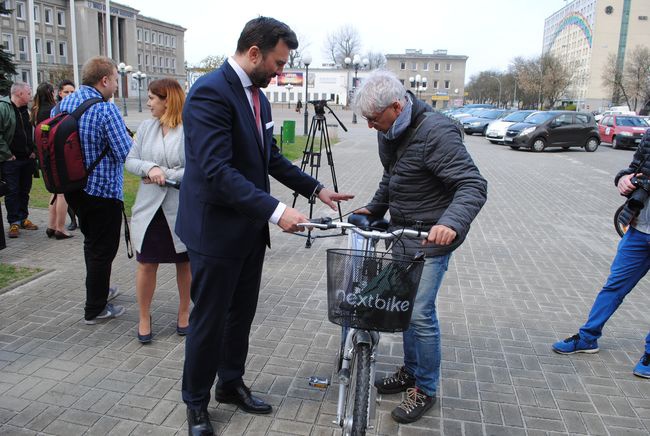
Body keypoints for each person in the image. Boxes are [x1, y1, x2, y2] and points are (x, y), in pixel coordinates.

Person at [177, 16, 353, 436]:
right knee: (210, 320)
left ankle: (230, 383)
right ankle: (196, 403)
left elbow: (269, 158)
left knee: (240, 316)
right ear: (253, 52)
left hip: (249, 231)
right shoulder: (209, 94)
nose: (280, 72)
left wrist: (316, 190)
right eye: (277, 62)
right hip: (215, 232)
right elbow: (217, 171)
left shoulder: (261, 98)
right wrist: (276, 211)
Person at [353, 70, 487, 424]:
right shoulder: (391, 131)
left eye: (373, 119)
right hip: (401, 233)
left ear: (396, 107)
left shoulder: (436, 132)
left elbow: (472, 185)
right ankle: (411, 371)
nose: (370, 127)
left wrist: (450, 223)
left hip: (431, 238)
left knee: (419, 313)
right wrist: (374, 207)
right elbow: (393, 176)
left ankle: (425, 388)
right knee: (404, 306)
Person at [551, 130, 650, 379]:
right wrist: (624, 180)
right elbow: (632, 169)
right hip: (639, 230)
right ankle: (587, 338)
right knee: (613, 287)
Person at [58, 56, 133, 325]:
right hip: (102, 191)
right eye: (115, 78)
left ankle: (100, 291)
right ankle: (96, 308)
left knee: (92, 244)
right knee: (103, 249)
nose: (115, 83)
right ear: (104, 80)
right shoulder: (105, 110)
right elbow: (126, 152)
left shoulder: (65, 103)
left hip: (73, 189)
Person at [125, 78, 190, 344]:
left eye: (153, 98)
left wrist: (164, 173)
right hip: (150, 208)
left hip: (180, 207)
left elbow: (198, 168)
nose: (148, 102)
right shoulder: (146, 127)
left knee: (185, 263)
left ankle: (185, 312)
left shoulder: (190, 129)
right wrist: (148, 169)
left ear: (167, 100)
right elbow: (131, 160)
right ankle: (143, 316)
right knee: (146, 263)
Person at [31, 82, 73, 240]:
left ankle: (51, 225)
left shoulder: (36, 110)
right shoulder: (52, 110)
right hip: (54, 154)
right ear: (51, 93)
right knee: (62, 193)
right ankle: (60, 228)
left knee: (55, 192)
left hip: (43, 155)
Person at [0, 82, 39, 239]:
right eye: (28, 93)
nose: (31, 96)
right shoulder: (3, 108)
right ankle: (14, 222)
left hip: (26, 159)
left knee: (24, 190)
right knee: (12, 191)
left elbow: (32, 133)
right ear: (19, 94)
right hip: (11, 161)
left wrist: (33, 151)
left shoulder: (27, 111)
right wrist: (7, 154)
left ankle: (23, 218)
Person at [57, 79, 79, 232]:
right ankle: (72, 220)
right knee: (66, 192)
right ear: (60, 93)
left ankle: (79, 218)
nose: (70, 94)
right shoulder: (56, 110)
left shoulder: (78, 109)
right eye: (66, 92)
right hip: (62, 156)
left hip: (76, 155)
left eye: (72, 92)